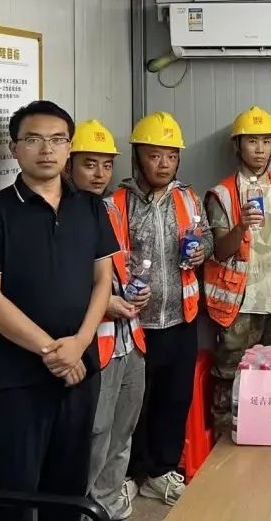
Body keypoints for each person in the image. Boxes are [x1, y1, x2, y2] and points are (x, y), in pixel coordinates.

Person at [0, 101, 114, 519]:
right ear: (14, 149)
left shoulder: (91, 207)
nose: (47, 149)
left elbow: (104, 281)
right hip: (16, 381)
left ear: (69, 147)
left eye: (57, 139)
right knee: (13, 496)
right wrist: (53, 352)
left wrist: (79, 344)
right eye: (34, 140)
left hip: (80, 374)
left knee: (68, 493)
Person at [115, 112, 212, 507]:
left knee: (173, 401)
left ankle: (160, 472)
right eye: (154, 156)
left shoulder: (187, 198)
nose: (163, 164)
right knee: (132, 406)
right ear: (137, 157)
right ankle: (126, 475)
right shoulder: (117, 203)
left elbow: (205, 237)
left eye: (171, 156)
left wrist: (201, 250)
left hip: (180, 319)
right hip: (133, 324)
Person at [204, 106, 271, 437]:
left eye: (266, 141)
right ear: (237, 145)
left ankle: (269, 437)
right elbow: (218, 250)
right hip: (238, 304)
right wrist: (240, 227)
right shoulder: (222, 194)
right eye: (252, 141)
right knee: (230, 375)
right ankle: (224, 443)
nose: (260, 149)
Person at [67, 120, 146, 521]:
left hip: (129, 338)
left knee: (122, 430)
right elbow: (57, 288)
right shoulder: (61, 214)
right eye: (89, 164)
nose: (100, 174)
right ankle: (83, 509)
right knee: (95, 433)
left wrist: (135, 292)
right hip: (94, 344)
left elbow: (118, 267)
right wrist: (105, 305)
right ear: (69, 165)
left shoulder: (110, 209)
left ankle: (110, 504)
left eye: (106, 164)